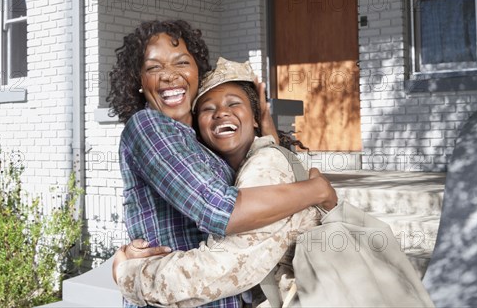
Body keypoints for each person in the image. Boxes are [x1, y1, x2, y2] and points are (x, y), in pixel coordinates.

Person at [108, 20, 336, 308]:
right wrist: (317, 190)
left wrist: (264, 128)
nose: (169, 75)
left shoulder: (199, 143)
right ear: (137, 82)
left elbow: (265, 197)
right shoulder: (148, 126)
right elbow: (219, 210)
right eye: (154, 67)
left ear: (196, 72)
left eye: (181, 62)